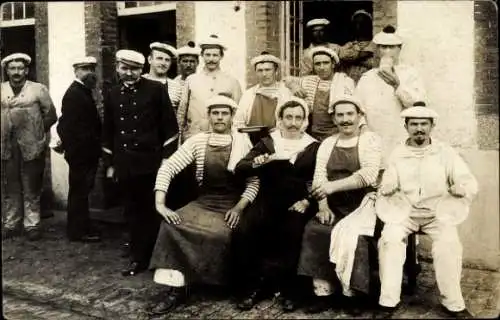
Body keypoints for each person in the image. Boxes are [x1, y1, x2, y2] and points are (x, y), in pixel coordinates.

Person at [147, 95, 259, 315]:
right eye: (215, 113)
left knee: (223, 233)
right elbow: (168, 168)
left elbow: (254, 182)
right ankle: (176, 288)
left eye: (224, 113)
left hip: (231, 204)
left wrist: (238, 208)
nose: (219, 118)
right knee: (172, 225)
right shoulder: (197, 141)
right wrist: (160, 203)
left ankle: (218, 282)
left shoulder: (243, 143)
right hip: (204, 202)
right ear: (208, 116)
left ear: (232, 116)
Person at [373, 106, 477, 319]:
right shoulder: (397, 153)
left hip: (438, 213)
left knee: (449, 244)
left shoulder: (445, 152)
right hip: (405, 213)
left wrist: (461, 188)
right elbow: (388, 179)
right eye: (414, 124)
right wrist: (389, 185)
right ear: (406, 127)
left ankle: (453, 304)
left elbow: (467, 179)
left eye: (423, 124)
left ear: (432, 126)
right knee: (389, 240)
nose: (419, 129)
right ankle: (388, 301)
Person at [232, 97, 320, 312]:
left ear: (305, 121)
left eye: (298, 118)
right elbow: (240, 167)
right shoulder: (267, 142)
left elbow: (319, 180)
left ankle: (291, 291)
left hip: (297, 202)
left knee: (293, 233)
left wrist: (308, 202)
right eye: (288, 117)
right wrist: (257, 162)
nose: (293, 122)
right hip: (267, 199)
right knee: (246, 229)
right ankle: (253, 287)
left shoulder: (314, 146)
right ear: (279, 120)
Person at [300, 95, 382, 313]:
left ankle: (352, 294)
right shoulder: (327, 144)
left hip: (363, 204)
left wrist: (332, 187)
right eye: (340, 115)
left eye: (350, 114)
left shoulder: (370, 140)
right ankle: (323, 292)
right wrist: (323, 206)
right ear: (334, 119)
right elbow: (319, 177)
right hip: (333, 204)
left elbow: (369, 175)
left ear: (359, 117)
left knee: (354, 237)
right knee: (315, 229)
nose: (345, 119)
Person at [102, 49, 179, 276]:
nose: (129, 73)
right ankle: (138, 258)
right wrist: (110, 162)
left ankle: (158, 256)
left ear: (141, 69)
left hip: (151, 163)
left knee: (152, 210)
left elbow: (170, 129)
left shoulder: (156, 90)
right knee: (132, 212)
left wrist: (166, 160)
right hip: (125, 163)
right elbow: (108, 130)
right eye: (124, 68)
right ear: (117, 68)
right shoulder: (112, 93)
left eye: (134, 69)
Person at [1, 53, 57, 241]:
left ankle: (32, 224)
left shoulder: (38, 89)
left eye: (20, 68)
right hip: (7, 146)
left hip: (31, 146)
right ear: (7, 71)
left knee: (31, 185)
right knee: (10, 186)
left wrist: (36, 133)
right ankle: (11, 223)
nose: (16, 72)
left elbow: (50, 115)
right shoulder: (1, 90)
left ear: (26, 70)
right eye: (12, 68)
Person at [356, 25, 426, 166]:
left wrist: (397, 86)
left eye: (392, 47)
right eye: (383, 47)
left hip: (399, 135)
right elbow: (356, 108)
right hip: (374, 135)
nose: (387, 52)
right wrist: (363, 127)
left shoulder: (410, 74)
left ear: (399, 49)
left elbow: (419, 106)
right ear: (378, 50)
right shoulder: (367, 77)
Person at [56, 56, 102, 243]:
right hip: (80, 154)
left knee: (82, 191)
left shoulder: (83, 91)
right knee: (79, 192)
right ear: (76, 72)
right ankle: (78, 231)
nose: (89, 72)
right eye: (84, 69)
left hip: (85, 152)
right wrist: (76, 151)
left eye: (92, 68)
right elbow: (66, 126)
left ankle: (83, 226)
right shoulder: (74, 94)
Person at [176, 34, 242, 142]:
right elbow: (181, 113)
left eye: (215, 55)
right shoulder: (191, 80)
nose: (211, 59)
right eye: (208, 55)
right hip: (193, 137)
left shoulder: (232, 82)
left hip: (222, 139)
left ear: (221, 56)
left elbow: (238, 115)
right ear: (202, 55)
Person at [285, 47, 355, 141]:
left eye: (326, 63)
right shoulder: (310, 80)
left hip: (337, 134)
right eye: (317, 64)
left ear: (333, 64)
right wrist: (293, 85)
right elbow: (285, 80)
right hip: (313, 135)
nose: (321, 67)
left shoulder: (344, 82)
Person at [234, 52, 292, 143]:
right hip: (251, 142)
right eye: (260, 70)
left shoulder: (285, 93)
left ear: (276, 71)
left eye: (268, 70)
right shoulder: (249, 94)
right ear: (256, 72)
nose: (264, 74)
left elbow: (290, 121)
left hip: (278, 142)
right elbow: (238, 122)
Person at [337, 10, 377, 83]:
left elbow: (375, 64)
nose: (359, 26)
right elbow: (341, 56)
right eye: (356, 23)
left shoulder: (375, 45)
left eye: (363, 23)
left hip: (369, 83)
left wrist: (355, 58)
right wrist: (362, 55)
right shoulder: (349, 45)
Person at [142, 42, 182, 111]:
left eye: (167, 60)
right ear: (149, 59)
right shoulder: (139, 82)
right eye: (159, 58)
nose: (163, 63)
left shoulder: (177, 87)